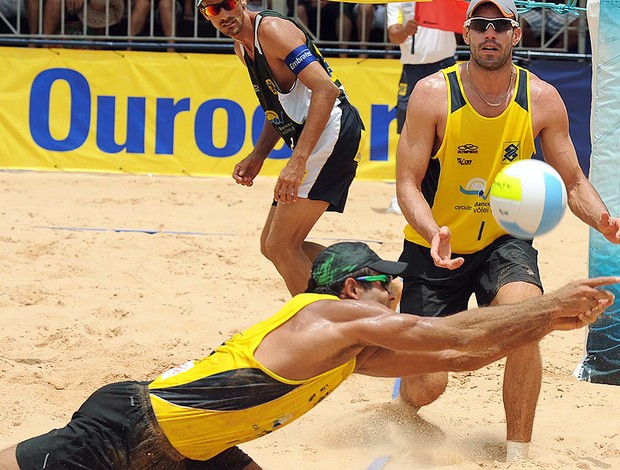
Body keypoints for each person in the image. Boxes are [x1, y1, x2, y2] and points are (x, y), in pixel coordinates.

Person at [0, 241, 616, 469]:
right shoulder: (327, 317)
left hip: (195, 449)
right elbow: (454, 335)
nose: (397, 288)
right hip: (127, 425)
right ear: (353, 288)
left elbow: (461, 359)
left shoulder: (350, 350)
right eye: (386, 280)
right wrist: (545, 303)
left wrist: (547, 324)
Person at [395, 0, 620, 461]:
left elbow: (573, 181)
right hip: (436, 243)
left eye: (500, 25)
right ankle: (403, 407)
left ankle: (517, 452)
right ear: (466, 33)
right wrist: (431, 229)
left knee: (528, 320)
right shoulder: (433, 93)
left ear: (516, 34)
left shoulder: (540, 98)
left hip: (505, 240)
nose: (490, 34)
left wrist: (602, 218)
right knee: (428, 383)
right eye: (481, 25)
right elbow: (407, 183)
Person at [197, 0, 365, 296]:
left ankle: (319, 328)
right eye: (213, 10)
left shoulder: (271, 30)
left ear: (242, 2)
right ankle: (371, 282)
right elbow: (276, 108)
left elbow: (326, 89)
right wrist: (258, 154)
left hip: (333, 131)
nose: (223, 14)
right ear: (204, 15)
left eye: (227, 4)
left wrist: (297, 161)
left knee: (281, 245)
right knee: (271, 245)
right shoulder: (242, 47)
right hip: (318, 136)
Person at [385, 1, 457, 215]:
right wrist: (406, 29)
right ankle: (404, 194)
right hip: (412, 69)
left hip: (444, 64)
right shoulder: (397, 2)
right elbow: (393, 34)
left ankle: (446, 190)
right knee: (408, 134)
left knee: (448, 131)